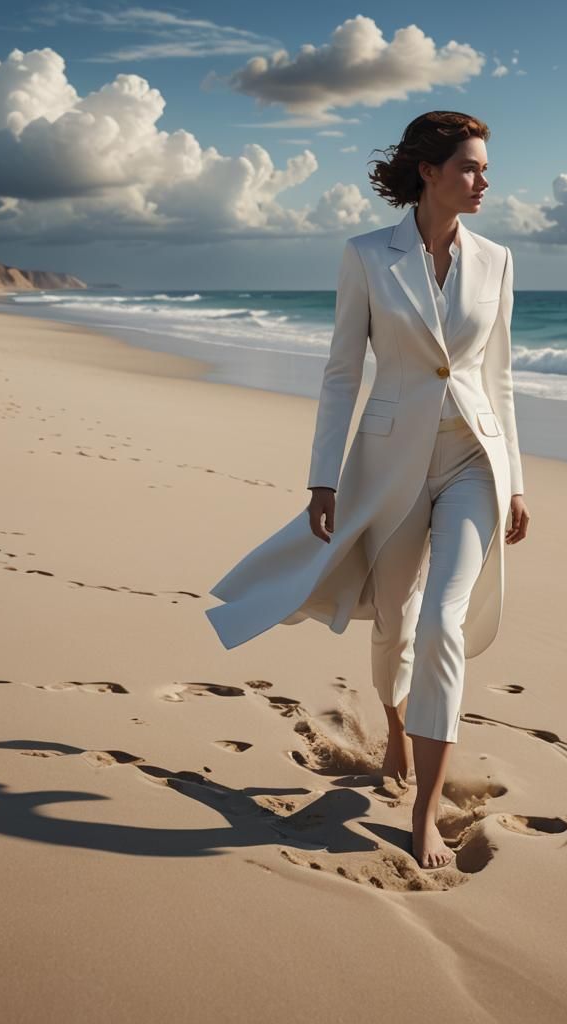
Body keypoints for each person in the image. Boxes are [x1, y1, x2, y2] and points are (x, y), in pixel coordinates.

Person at [203, 110, 529, 871]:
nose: (485, 180)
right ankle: (392, 724)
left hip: (474, 462)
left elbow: (499, 378)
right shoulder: (366, 256)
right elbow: (343, 370)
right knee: (395, 625)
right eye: (471, 168)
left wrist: (516, 480)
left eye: (485, 167)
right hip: (388, 466)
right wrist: (323, 476)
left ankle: (421, 811)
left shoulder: (498, 260)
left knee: (445, 620)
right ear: (430, 172)